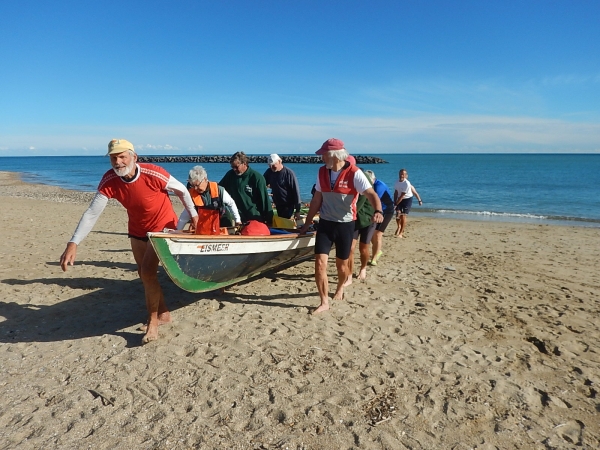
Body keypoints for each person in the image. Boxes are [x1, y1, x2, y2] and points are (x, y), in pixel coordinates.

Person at [59, 139, 199, 344]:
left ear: (134, 157)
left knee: (148, 272)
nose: (118, 162)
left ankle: (152, 323)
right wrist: (74, 243)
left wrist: (193, 215)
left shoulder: (153, 173)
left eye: (122, 156)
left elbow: (183, 191)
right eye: (114, 158)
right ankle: (164, 313)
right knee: (142, 272)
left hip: (162, 227)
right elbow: (92, 213)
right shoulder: (109, 180)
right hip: (136, 230)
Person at [299, 138, 383, 314]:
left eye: (323, 154)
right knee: (320, 264)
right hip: (325, 224)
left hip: (345, 225)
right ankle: (324, 301)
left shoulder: (355, 173)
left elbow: (371, 194)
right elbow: (316, 200)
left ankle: (340, 288)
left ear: (334, 156)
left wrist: (378, 211)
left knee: (342, 267)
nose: (321, 157)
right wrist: (306, 224)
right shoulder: (322, 172)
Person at [177, 165, 242, 234]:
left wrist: (237, 220)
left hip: (222, 219)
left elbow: (231, 203)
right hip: (204, 223)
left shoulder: (219, 190)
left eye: (197, 185)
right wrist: (177, 230)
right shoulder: (192, 194)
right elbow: (185, 216)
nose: (195, 188)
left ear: (205, 179)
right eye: (193, 186)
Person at [219, 152, 273, 225]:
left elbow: (265, 201)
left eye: (236, 167)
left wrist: (268, 220)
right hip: (238, 218)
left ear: (244, 163)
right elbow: (219, 190)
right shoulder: (230, 175)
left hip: (254, 218)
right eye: (232, 167)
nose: (234, 169)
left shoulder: (257, 178)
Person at [363, 170, 395, 265]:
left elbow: (374, 200)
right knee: (372, 234)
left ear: (373, 179)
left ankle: (374, 258)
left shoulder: (379, 186)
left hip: (386, 211)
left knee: (378, 234)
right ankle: (378, 250)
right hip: (375, 211)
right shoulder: (368, 185)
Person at [263, 154, 302, 220]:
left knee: (285, 222)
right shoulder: (269, 172)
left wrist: (297, 210)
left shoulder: (289, 173)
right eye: (270, 166)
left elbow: (296, 192)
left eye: (273, 165)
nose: (272, 168)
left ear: (279, 161)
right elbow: (262, 183)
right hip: (277, 203)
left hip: (288, 204)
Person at [393, 168, 422, 238]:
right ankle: (399, 226)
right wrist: (394, 202)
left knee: (403, 215)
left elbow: (410, 194)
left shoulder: (407, 184)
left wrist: (419, 200)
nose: (401, 175)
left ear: (406, 176)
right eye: (400, 174)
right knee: (397, 214)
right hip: (399, 199)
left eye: (403, 174)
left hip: (407, 199)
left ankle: (401, 233)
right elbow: (396, 193)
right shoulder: (397, 182)